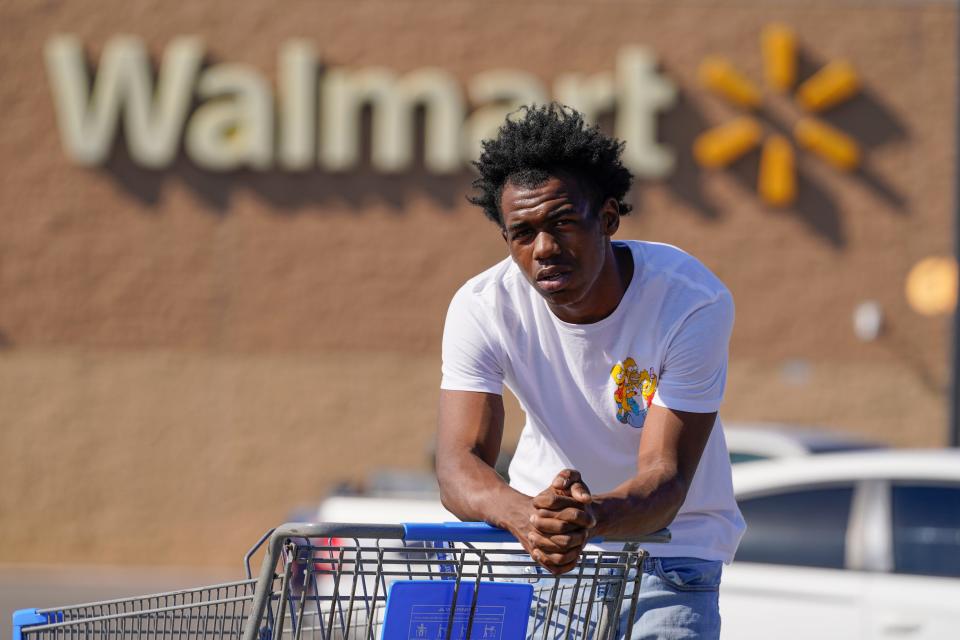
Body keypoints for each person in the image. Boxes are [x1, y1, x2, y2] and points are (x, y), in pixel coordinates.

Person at [434, 104, 745, 639]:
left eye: (563, 223)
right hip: (548, 554)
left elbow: (664, 478)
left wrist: (588, 519)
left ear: (607, 218)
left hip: (673, 551)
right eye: (523, 233)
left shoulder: (689, 301)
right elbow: (457, 464)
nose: (545, 249)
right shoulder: (483, 306)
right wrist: (530, 518)